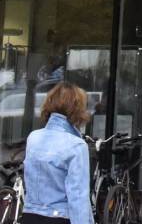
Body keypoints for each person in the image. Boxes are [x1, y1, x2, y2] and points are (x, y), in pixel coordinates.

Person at [21, 83, 94, 224]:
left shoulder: (33, 138)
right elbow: (78, 197)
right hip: (59, 217)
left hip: (30, 215)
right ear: (77, 109)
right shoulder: (77, 146)